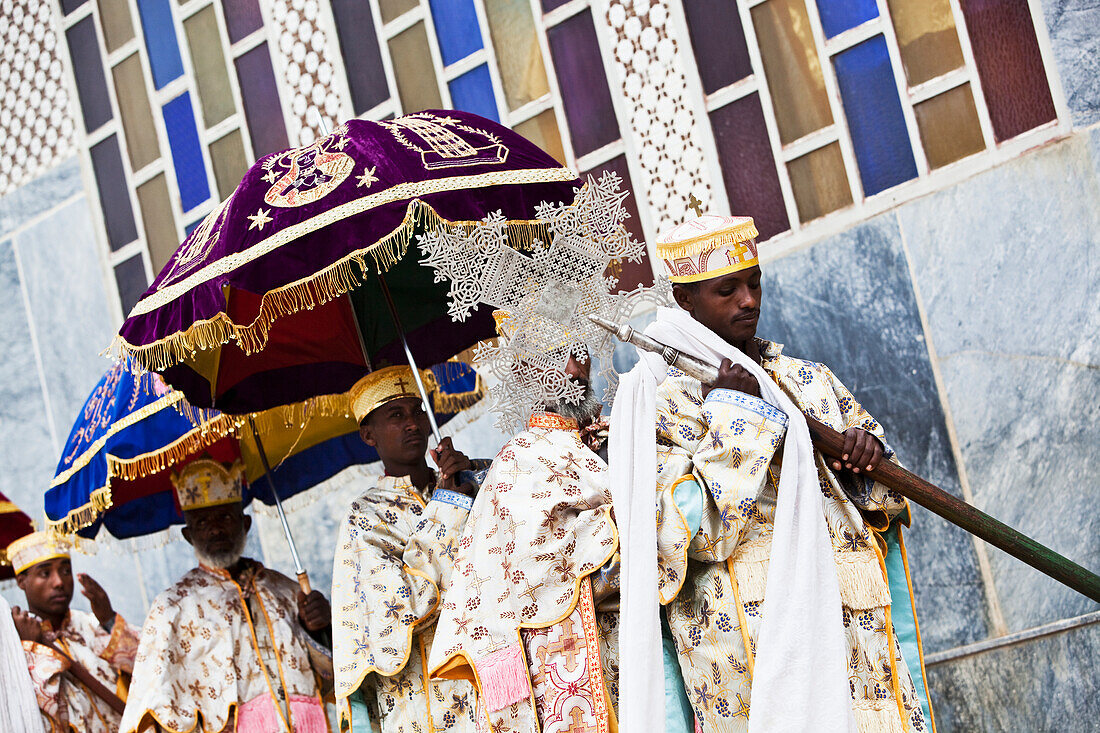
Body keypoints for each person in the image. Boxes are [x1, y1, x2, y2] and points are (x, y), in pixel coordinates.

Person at [610, 214, 933, 732]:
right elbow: (683, 535)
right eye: (727, 290)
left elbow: (888, 501)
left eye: (754, 283)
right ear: (685, 300)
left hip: (848, 622)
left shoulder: (807, 379)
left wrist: (863, 461)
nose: (749, 301)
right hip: (751, 645)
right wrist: (739, 419)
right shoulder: (656, 405)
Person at [428, 312, 621, 733]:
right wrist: (624, 523)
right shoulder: (519, 460)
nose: (576, 369)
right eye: (558, 357)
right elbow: (542, 566)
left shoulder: (610, 435)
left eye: (579, 352)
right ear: (527, 371)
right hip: (571, 659)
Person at [119, 455, 334, 733]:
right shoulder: (171, 608)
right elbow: (154, 704)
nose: (216, 529)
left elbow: (332, 679)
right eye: (203, 522)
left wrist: (320, 629)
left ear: (245, 524)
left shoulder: (286, 590)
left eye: (225, 517)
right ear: (188, 535)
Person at [331, 366, 485, 732]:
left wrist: (475, 480)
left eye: (417, 410)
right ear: (368, 434)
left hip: (486, 672)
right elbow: (402, 608)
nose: (413, 423)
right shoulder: (364, 516)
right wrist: (448, 506)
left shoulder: (466, 478)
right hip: (421, 698)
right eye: (396, 415)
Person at [7, 530, 139, 732]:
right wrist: (31, 648)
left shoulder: (92, 625)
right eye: (45, 573)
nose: (59, 582)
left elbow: (145, 670)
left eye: (66, 571)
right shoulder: (17, 643)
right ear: (22, 582)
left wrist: (109, 619)